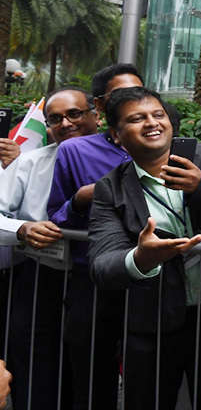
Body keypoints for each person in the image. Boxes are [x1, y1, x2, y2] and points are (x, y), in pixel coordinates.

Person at [88, 87, 201, 409]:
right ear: (117, 135)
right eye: (137, 119)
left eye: (158, 114)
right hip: (153, 323)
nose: (152, 123)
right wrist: (140, 258)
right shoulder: (110, 188)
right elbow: (102, 262)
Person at [45, 62, 143, 410]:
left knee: (147, 378)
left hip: (152, 278)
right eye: (122, 94)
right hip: (95, 278)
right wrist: (81, 198)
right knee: (92, 375)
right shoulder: (76, 150)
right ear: (100, 105)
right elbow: (56, 214)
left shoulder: (164, 142)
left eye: (140, 91)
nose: (135, 101)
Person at [0, 87, 99, 410]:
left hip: (97, 283)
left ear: (94, 115)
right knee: (37, 373)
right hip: (40, 279)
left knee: (90, 373)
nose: (66, 123)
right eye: (55, 119)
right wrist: (23, 229)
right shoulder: (29, 163)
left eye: (74, 114)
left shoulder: (121, 158)